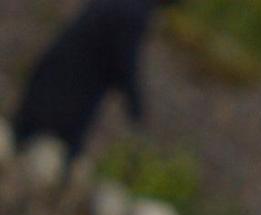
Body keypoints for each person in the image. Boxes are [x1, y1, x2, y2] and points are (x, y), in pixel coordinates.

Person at [6, 0, 175, 167]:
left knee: (21, 138)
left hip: (54, 75)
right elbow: (124, 61)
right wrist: (136, 107)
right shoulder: (136, 12)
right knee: (47, 156)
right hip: (69, 97)